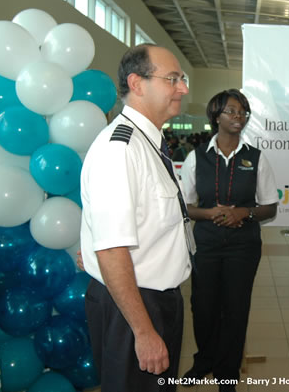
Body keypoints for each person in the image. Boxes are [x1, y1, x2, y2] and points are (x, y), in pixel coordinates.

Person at [80, 44, 191, 392]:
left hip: (154, 300)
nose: (183, 89)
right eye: (172, 79)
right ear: (137, 83)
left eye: (182, 79)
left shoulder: (148, 143)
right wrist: (143, 332)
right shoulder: (121, 149)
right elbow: (112, 251)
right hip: (134, 307)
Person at [179, 89, 278, 392]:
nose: (239, 117)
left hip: (243, 246)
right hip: (206, 244)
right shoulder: (196, 157)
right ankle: (204, 360)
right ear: (215, 116)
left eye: (243, 112)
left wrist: (244, 214)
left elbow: (270, 206)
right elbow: (185, 206)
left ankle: (227, 373)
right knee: (203, 307)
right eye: (232, 111)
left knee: (235, 309)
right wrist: (209, 213)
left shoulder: (256, 158)